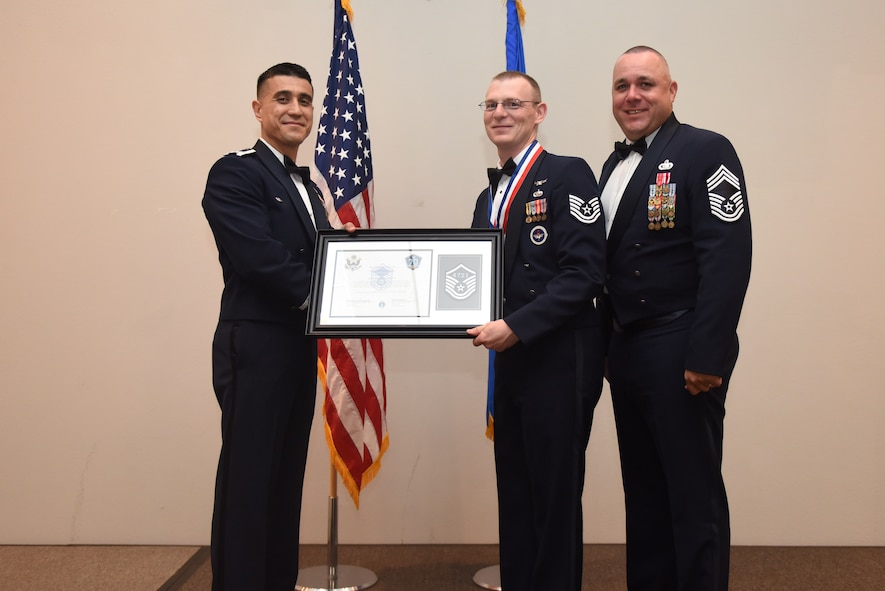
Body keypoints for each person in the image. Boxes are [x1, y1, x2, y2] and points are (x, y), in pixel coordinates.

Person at [599, 46, 752, 591]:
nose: (633, 96)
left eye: (646, 84)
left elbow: (727, 257)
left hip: (682, 346)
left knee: (693, 497)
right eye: (622, 86)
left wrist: (708, 354)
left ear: (671, 91)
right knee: (643, 495)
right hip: (629, 353)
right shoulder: (612, 166)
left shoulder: (706, 151)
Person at [467, 71, 607, 591]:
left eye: (513, 104)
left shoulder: (568, 174)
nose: (500, 113)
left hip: (560, 354)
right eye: (491, 105)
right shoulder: (489, 195)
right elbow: (472, 278)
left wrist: (517, 326)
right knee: (517, 489)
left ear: (539, 113)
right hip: (513, 355)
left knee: (553, 493)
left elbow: (584, 273)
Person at [202, 62, 331, 591]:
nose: (295, 109)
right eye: (282, 98)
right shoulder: (234, 173)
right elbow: (262, 260)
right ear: (258, 109)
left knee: (284, 480)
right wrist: (336, 300)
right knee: (249, 484)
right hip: (255, 344)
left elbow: (325, 260)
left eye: (304, 99)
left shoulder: (309, 187)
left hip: (298, 346)